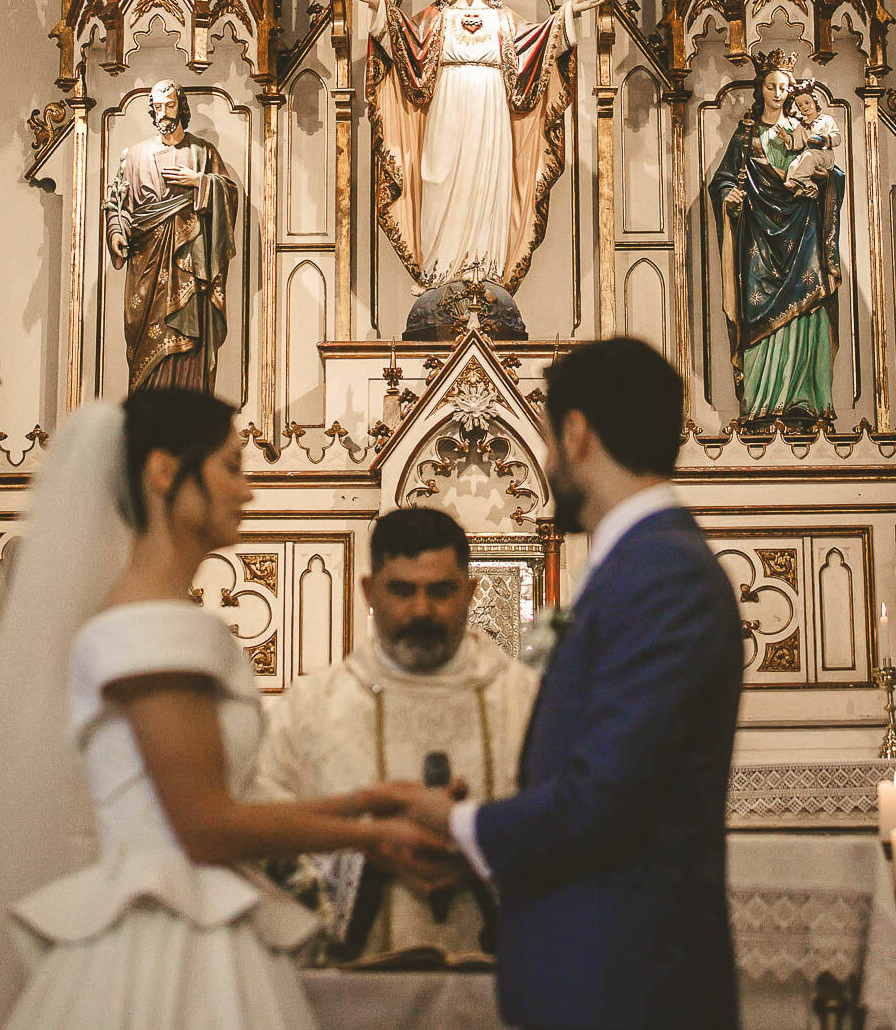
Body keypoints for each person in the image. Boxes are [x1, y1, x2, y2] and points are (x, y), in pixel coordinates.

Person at [0, 391, 454, 1029]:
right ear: (166, 471)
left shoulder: (153, 617)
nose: (247, 491)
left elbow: (210, 799)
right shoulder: (153, 629)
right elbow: (206, 827)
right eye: (232, 467)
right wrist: (370, 835)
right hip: (170, 939)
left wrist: (368, 802)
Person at [362, 339, 744, 1030]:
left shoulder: (663, 576)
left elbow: (604, 800)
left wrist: (454, 821)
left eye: (546, 439)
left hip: (627, 986)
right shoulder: (642, 565)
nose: (545, 461)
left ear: (576, 433)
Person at [255, 507, 538, 959]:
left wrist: (482, 848)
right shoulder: (310, 708)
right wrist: (368, 850)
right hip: (356, 977)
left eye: (441, 591)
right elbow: (265, 833)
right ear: (369, 592)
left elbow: (572, 824)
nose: (422, 610)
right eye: (402, 591)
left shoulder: (528, 700)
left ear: (470, 592)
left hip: (504, 976)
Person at [347, 0, 603, 290]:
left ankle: (486, 273)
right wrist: (378, 3)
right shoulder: (436, 19)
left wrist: (570, 12)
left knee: (487, 185)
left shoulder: (504, 21)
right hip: (447, 105)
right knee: (440, 179)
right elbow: (404, 43)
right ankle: (439, 273)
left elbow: (540, 43)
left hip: (490, 107)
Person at [709, 53, 844, 423]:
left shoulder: (804, 129)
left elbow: (833, 171)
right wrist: (729, 195)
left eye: (784, 87)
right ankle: (761, 404)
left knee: (809, 305)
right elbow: (723, 179)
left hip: (803, 230)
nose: (778, 93)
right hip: (759, 236)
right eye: (771, 86)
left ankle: (805, 400)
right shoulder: (747, 134)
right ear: (761, 88)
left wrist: (824, 181)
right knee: (757, 311)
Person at [104, 79, 238, 392]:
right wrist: (116, 231)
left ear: (181, 107)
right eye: (157, 106)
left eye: (169, 105)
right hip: (146, 261)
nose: (163, 112)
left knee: (190, 334)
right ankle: (148, 411)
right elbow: (117, 204)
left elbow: (229, 195)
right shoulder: (134, 155)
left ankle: (188, 408)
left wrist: (200, 181)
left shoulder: (203, 152)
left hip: (190, 260)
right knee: (145, 337)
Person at [780, 78, 841, 196]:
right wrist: (786, 137)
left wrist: (825, 138)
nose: (804, 107)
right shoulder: (802, 126)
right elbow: (796, 143)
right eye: (800, 105)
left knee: (808, 156)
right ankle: (807, 187)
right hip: (808, 155)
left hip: (824, 154)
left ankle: (795, 181)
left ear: (814, 101)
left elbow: (837, 137)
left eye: (807, 103)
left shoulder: (826, 119)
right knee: (793, 165)